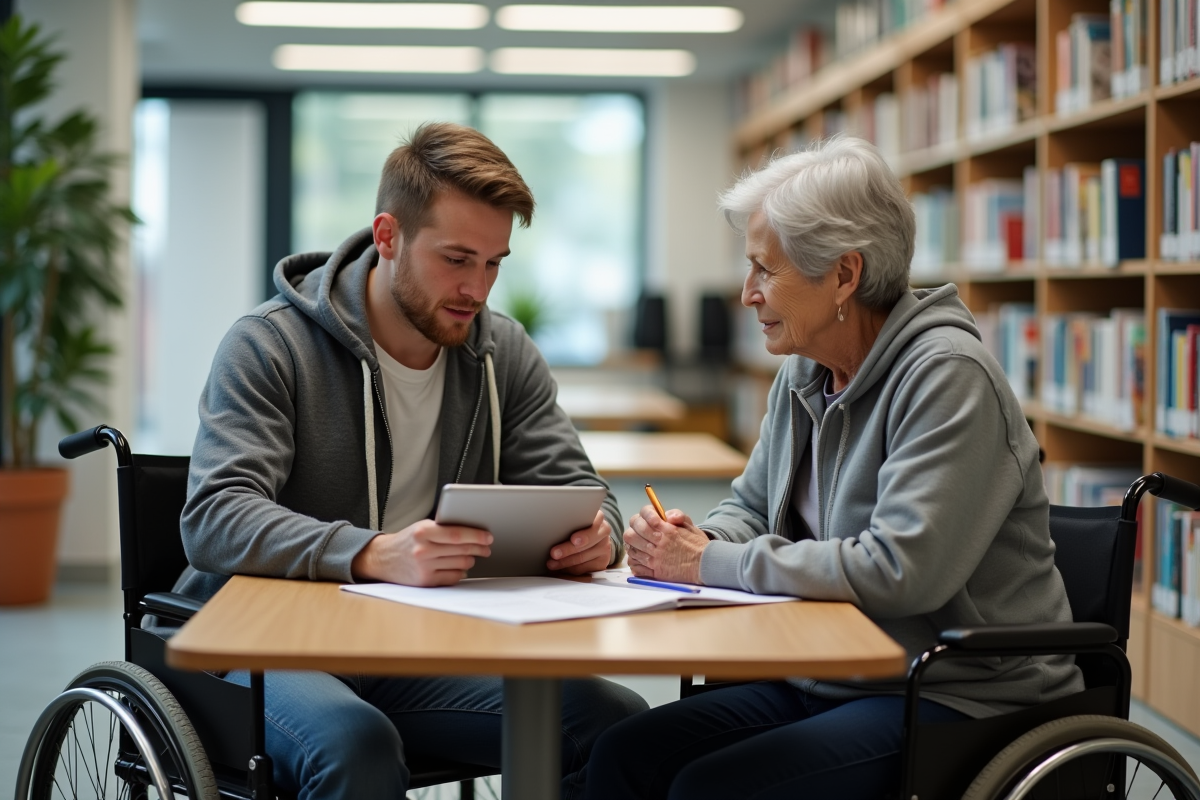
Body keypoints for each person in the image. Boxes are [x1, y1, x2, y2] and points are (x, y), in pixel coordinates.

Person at [584, 135, 1085, 800]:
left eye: (765, 270)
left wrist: (705, 563)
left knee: (712, 788)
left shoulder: (947, 377)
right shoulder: (804, 372)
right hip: (825, 672)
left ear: (845, 275)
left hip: (958, 693)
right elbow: (750, 509)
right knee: (624, 753)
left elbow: (898, 571)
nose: (746, 294)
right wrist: (696, 539)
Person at [172, 121, 647, 799]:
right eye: (456, 259)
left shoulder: (500, 353)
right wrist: (373, 554)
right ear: (387, 236)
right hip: (264, 644)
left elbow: (582, 489)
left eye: (493, 263)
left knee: (611, 722)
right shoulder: (269, 346)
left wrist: (596, 537)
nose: (476, 289)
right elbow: (215, 517)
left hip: (409, 646)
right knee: (353, 745)